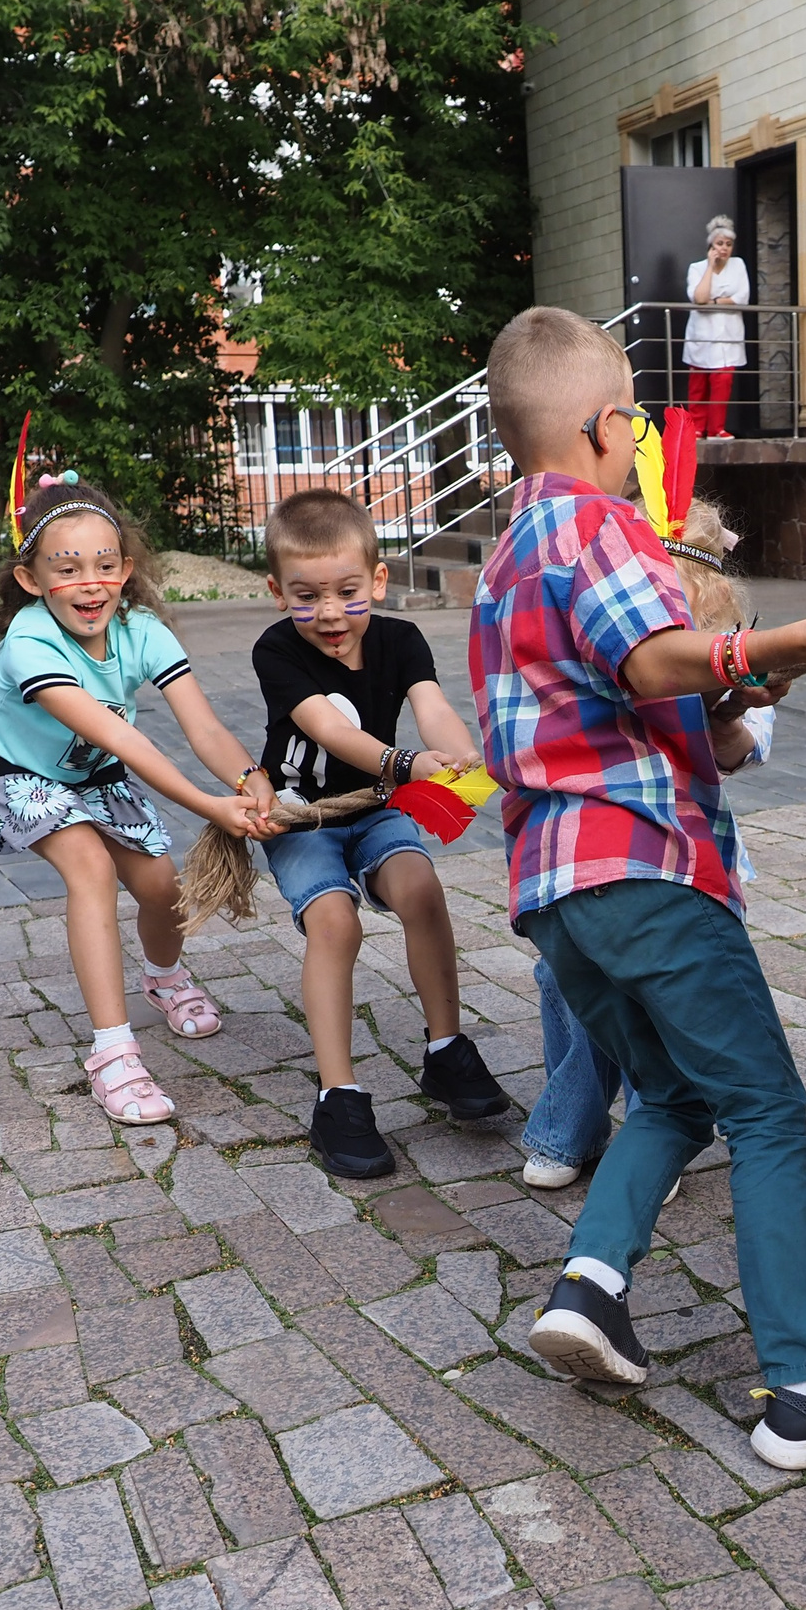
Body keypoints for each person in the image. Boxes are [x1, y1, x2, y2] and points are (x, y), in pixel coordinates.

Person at [475, 305, 806, 1468]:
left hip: (557, 894)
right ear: (606, 426)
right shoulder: (601, 527)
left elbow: (631, 697)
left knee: (675, 1098)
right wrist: (775, 646)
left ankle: (588, 1288)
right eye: (634, 428)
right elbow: (651, 659)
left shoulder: (501, 559)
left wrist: (730, 707)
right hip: (646, 872)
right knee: (766, 1112)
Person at [0, 476, 275, 1125]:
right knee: (90, 867)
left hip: (86, 770)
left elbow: (203, 727)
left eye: (104, 566)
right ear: (32, 579)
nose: (90, 583)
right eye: (67, 569)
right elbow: (120, 734)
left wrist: (247, 777)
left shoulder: (142, 630)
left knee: (160, 886)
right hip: (5, 763)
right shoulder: (30, 642)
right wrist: (210, 806)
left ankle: (164, 978)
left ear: (126, 568)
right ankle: (113, 1053)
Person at [251, 488, 512, 1180]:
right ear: (278, 592)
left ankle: (447, 1049)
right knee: (336, 924)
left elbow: (433, 709)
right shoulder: (276, 649)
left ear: (378, 579)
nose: (330, 612)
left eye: (346, 590)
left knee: (420, 887)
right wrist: (408, 765)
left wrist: (456, 761)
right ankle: (338, 1097)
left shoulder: (401, 639)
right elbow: (332, 731)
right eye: (307, 595)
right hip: (304, 815)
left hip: (376, 807)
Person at [519, 495, 778, 1190]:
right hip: (596, 848)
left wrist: (722, 707)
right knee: (568, 982)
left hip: (685, 857)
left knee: (660, 996)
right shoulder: (597, 630)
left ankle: (651, 1132)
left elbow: (738, 749)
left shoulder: (729, 652)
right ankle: (571, 1127)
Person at [682, 217, 748, 439]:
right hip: (701, 335)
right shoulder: (697, 268)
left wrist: (715, 302)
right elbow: (699, 298)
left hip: (728, 336)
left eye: (728, 245)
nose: (724, 249)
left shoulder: (738, 265)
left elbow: (742, 297)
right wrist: (710, 267)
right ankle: (697, 428)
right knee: (699, 385)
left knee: (723, 382)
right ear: (711, 245)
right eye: (720, 244)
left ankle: (716, 428)